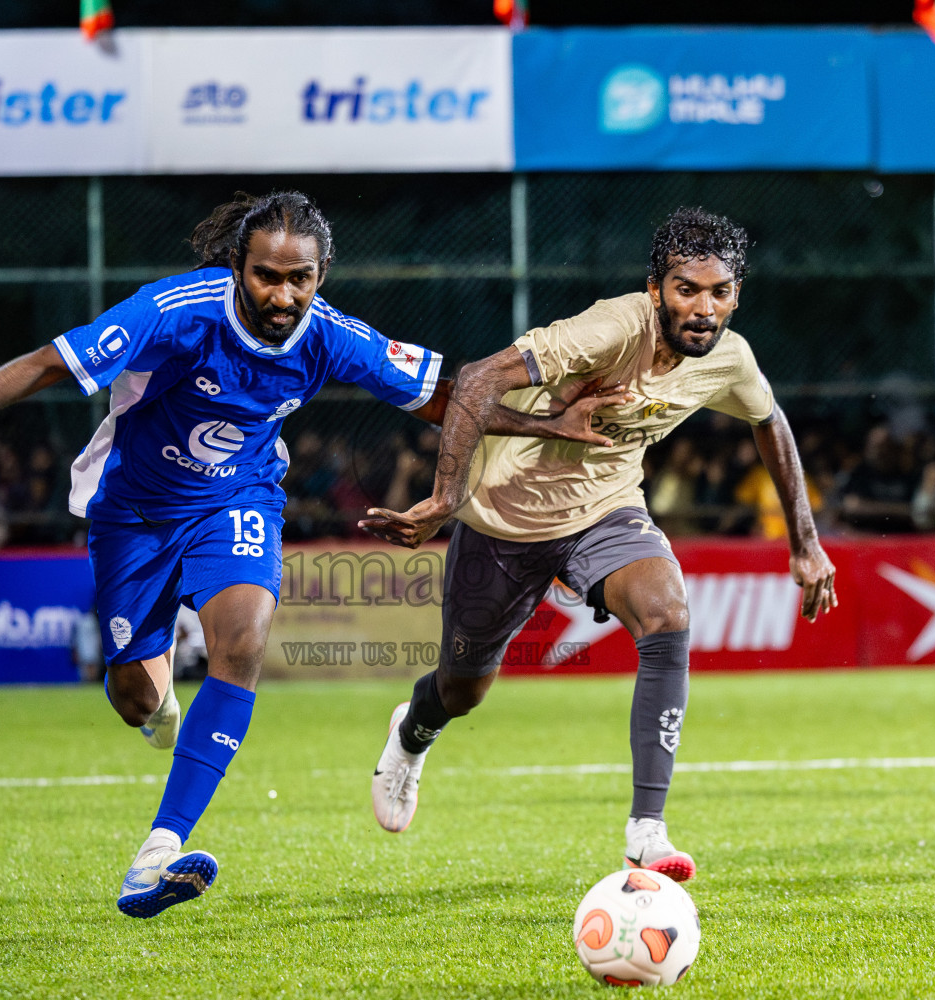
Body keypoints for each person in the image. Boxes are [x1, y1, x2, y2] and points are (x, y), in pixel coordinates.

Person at [0, 191, 624, 918]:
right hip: (135, 514)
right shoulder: (174, 312)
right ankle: (161, 709)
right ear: (237, 269)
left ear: (322, 276)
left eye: (301, 279)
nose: (283, 296)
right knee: (136, 701)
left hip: (236, 502)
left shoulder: (330, 336)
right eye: (266, 277)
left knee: (243, 640)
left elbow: (448, 399)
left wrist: (553, 425)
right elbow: (53, 364)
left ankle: (158, 851)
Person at [359, 207, 839, 881]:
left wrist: (806, 543)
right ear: (655, 290)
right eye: (687, 290)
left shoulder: (728, 358)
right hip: (504, 520)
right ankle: (412, 733)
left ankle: (647, 829)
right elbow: (474, 380)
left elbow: (770, 421)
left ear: (736, 295)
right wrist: (443, 499)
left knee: (668, 613)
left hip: (605, 512)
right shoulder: (609, 329)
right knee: (462, 689)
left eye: (720, 292)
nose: (704, 308)